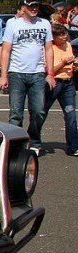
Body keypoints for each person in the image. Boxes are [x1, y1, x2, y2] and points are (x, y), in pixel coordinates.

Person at [0, 0, 55, 156]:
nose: (34, 8)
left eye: (36, 6)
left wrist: (50, 73)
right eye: (31, 6)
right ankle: (15, 144)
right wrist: (3, 75)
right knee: (16, 113)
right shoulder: (13, 24)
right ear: (24, 7)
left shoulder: (45, 24)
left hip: (37, 73)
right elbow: (6, 50)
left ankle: (34, 140)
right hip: (17, 73)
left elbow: (49, 49)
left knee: (39, 111)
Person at [43, 22, 77, 156]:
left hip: (68, 83)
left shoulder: (68, 45)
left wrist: (74, 67)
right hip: (54, 82)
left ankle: (73, 146)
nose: (65, 37)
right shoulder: (50, 47)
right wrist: (63, 63)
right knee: (41, 112)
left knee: (71, 115)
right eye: (61, 35)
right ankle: (34, 140)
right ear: (54, 37)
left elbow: (70, 65)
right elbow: (49, 70)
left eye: (65, 34)